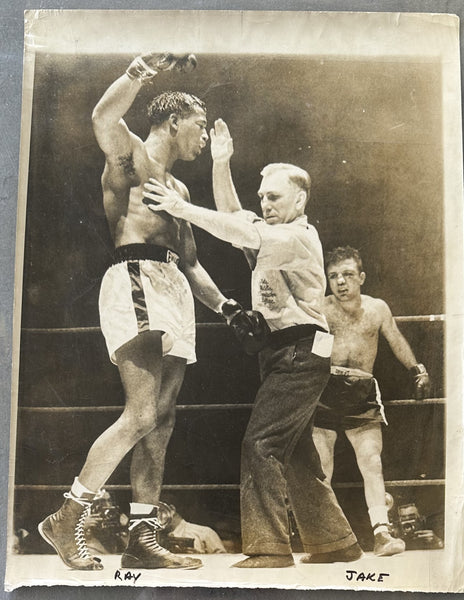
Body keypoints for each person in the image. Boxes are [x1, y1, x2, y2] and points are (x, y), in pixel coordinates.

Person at [38, 53, 255, 571]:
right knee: (139, 414)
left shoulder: (179, 191)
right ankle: (69, 514)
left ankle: (141, 532)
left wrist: (227, 307)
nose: (204, 138)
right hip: (134, 277)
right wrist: (137, 71)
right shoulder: (130, 156)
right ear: (174, 120)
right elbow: (101, 118)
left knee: (161, 420)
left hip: (175, 290)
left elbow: (192, 264)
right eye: (200, 126)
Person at [142, 119, 362, 568]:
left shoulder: (297, 237)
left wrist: (182, 209)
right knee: (297, 454)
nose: (264, 203)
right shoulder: (272, 234)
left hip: (302, 352)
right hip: (284, 353)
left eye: (274, 196)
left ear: (299, 200)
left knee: (259, 444)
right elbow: (238, 218)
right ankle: (336, 542)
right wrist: (221, 165)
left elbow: (240, 230)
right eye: (262, 196)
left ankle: (269, 549)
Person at [312, 246, 431, 556]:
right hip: (325, 387)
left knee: (371, 461)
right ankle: (326, 539)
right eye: (334, 276)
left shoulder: (377, 309)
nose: (340, 282)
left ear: (361, 277)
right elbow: (308, 349)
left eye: (348, 275)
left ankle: (381, 532)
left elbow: (395, 339)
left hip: (361, 390)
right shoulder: (321, 309)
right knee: (321, 466)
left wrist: (418, 371)